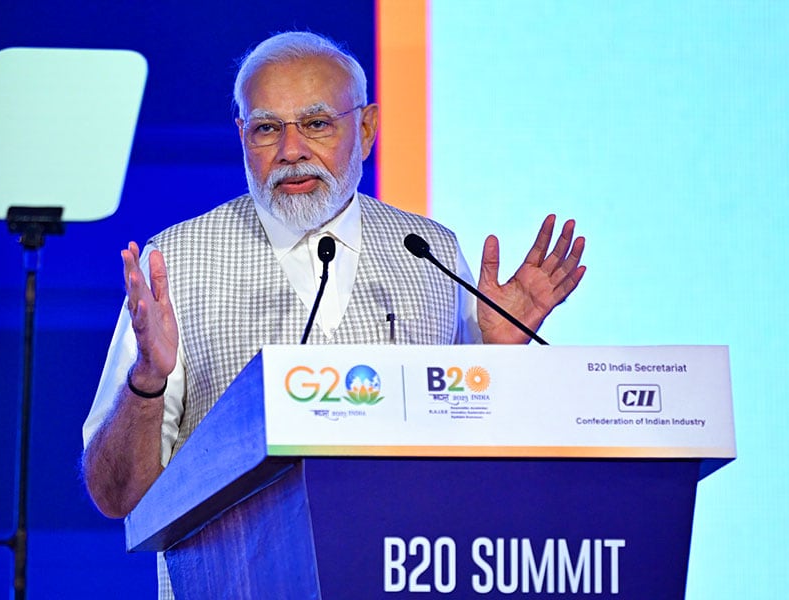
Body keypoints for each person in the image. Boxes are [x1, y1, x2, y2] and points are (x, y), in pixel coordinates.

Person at [82, 31, 585, 599]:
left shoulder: (430, 252)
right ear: (242, 137)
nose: (291, 149)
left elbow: (477, 468)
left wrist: (498, 357)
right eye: (267, 128)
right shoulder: (175, 264)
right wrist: (146, 382)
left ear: (367, 129)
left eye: (317, 123)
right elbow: (116, 496)